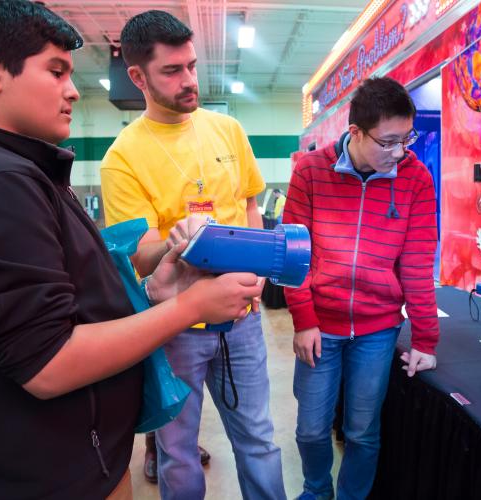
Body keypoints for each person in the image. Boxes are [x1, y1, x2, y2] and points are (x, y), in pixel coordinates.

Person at [0, 1, 262, 498]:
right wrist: (189, 307)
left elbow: (67, 300)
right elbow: (48, 363)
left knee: (256, 437)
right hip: (54, 471)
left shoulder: (24, 173)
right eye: (55, 72)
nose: (73, 90)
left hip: (85, 452)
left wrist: (154, 295)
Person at [100, 10, 286, 500]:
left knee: (259, 440)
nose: (189, 81)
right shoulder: (122, 157)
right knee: (177, 450)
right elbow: (138, 258)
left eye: (192, 66)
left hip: (241, 319)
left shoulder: (227, 131)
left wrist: (261, 271)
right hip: (174, 328)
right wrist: (174, 241)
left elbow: (250, 204)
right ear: (137, 76)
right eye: (172, 71)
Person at [283, 77, 440, 500]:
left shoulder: (416, 179)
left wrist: (425, 337)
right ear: (355, 132)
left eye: (406, 139)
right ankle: (317, 491)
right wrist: (304, 320)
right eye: (387, 142)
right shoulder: (310, 172)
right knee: (311, 429)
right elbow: (292, 258)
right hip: (320, 328)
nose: (399, 152)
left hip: (376, 330)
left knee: (362, 431)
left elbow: (417, 264)